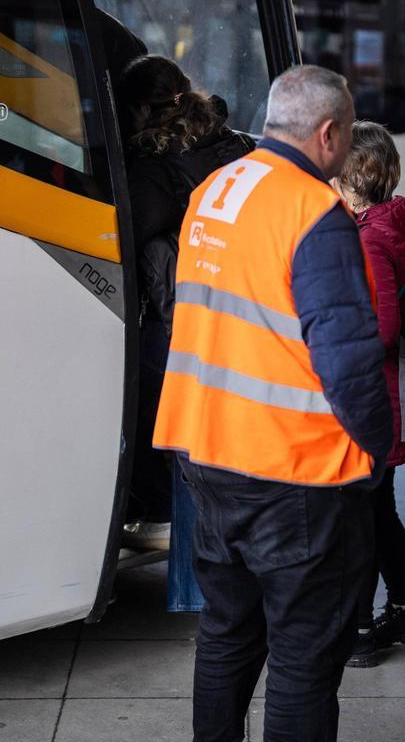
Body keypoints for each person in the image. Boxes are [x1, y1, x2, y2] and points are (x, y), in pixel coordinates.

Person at [153, 65, 394, 741]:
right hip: (293, 471)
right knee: (303, 659)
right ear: (328, 133)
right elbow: (347, 361)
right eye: (345, 136)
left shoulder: (213, 189)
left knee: (227, 635)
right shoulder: (314, 212)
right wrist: (376, 445)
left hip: (207, 450)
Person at [117, 56, 256, 555]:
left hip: (179, 312)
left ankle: (158, 513)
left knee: (150, 405)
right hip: (241, 305)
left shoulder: (154, 166)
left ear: (139, 110)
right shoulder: (235, 142)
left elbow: (123, 236)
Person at [332, 120, 405, 667]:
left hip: (377, 399)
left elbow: (384, 327)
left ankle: (360, 627)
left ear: (347, 176)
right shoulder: (386, 222)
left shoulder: (371, 237)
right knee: (379, 507)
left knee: (362, 514)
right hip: (386, 397)